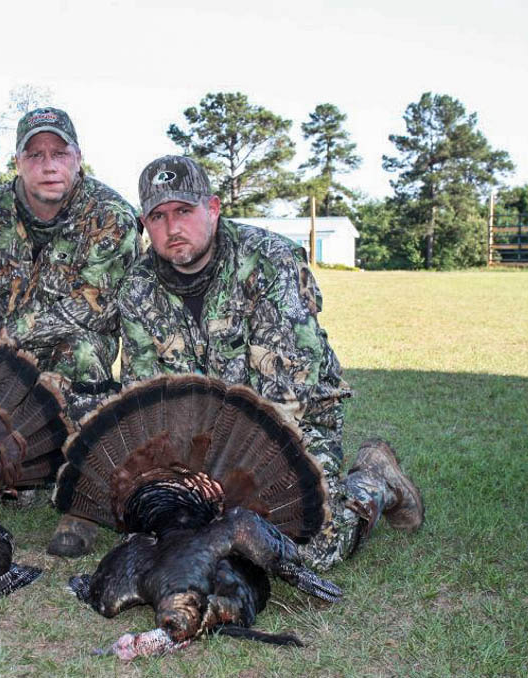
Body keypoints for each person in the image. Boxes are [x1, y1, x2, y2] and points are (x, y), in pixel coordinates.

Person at [114, 155, 424, 570]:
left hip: (294, 423)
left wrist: (230, 486)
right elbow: (143, 396)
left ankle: (374, 480)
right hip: (203, 444)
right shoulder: (137, 287)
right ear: (145, 223)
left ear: (213, 208)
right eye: (158, 216)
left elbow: (291, 391)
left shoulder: (268, 260)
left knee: (309, 550)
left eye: (184, 211)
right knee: (168, 530)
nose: (172, 229)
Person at [0, 108, 141, 557]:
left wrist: (4, 346)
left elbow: (89, 309)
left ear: (79, 158)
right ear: (16, 162)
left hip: (68, 353)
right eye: (35, 154)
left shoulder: (111, 216)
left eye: (60, 152)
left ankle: (85, 498)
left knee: (82, 352)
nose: (48, 165)